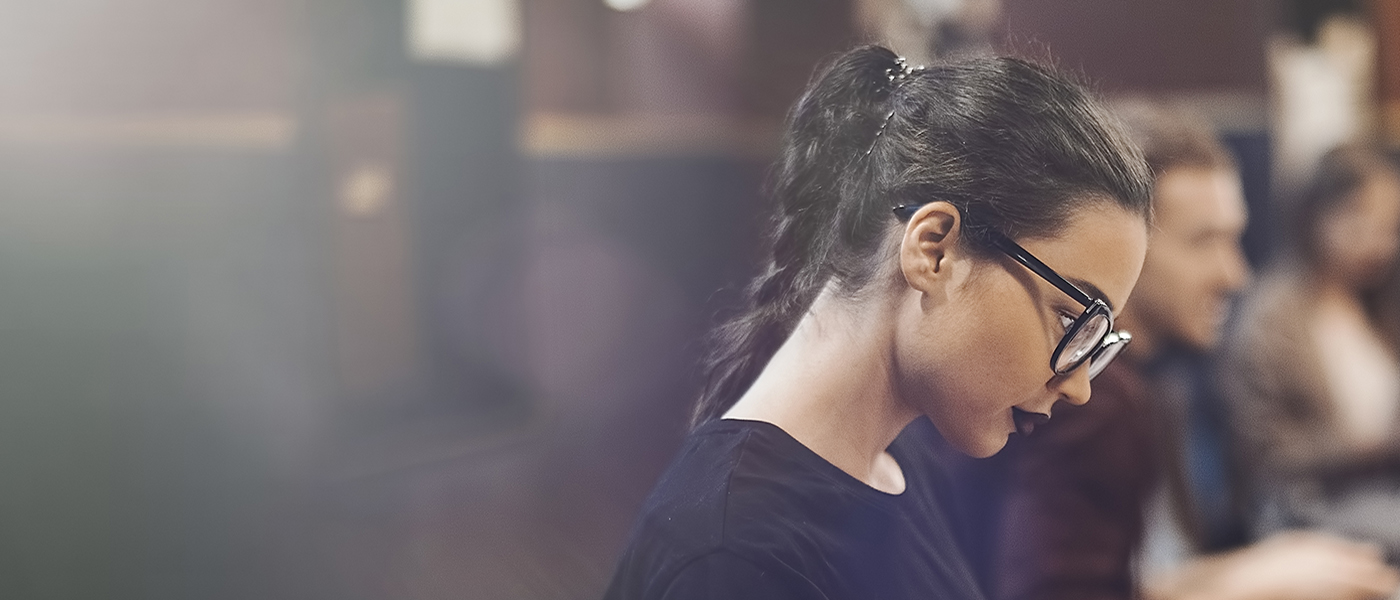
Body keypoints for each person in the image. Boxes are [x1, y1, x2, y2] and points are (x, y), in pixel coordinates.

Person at [602, 45, 1153, 600]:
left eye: (1098, 341)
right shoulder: (735, 556)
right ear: (935, 250)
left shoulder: (898, 461)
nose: (1081, 387)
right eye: (1072, 318)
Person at [985, 106, 1400, 600]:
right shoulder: (1089, 396)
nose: (1235, 275)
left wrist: (1261, 567)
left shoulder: (1153, 382)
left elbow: (1138, 579)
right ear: (1124, 249)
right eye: (1205, 242)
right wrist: (1250, 582)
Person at [1222, 144, 1400, 559]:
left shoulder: (1377, 307)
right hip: (1309, 507)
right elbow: (1262, 454)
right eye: (1361, 221)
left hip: (1378, 497)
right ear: (1315, 215)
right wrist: (1370, 448)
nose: (1381, 243)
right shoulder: (1271, 317)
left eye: (1390, 227)